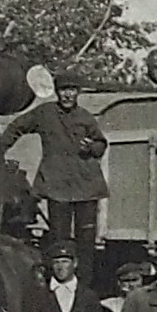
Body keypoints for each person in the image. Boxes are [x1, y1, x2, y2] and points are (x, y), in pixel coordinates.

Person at [29, 77, 109, 254]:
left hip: (86, 186)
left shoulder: (85, 117)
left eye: (72, 89)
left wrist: (91, 147)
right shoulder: (44, 113)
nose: (67, 95)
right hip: (58, 186)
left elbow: (101, 144)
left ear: (78, 92)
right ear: (56, 92)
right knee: (58, 239)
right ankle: (59, 280)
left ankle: (84, 281)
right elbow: (16, 128)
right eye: (63, 90)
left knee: (86, 242)